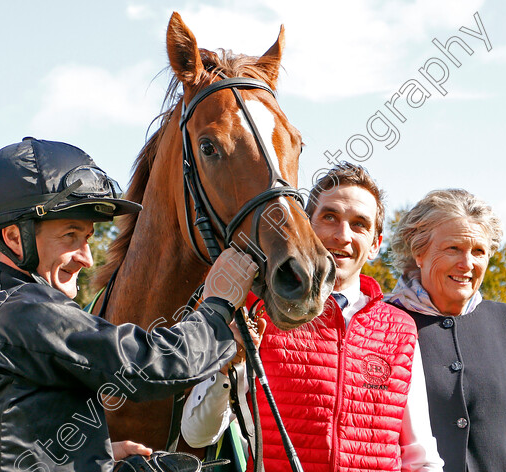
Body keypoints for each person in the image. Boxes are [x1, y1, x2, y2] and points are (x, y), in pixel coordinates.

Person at [0, 137, 258, 472]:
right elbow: (147, 366)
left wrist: (94, 453)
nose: (86, 258)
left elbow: (8, 434)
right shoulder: (24, 309)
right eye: (70, 236)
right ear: (12, 237)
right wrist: (216, 308)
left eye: (88, 238)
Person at [181, 163, 444, 472]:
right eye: (330, 217)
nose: (343, 235)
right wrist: (229, 364)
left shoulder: (400, 328)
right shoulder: (258, 311)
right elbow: (197, 435)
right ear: (306, 226)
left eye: (359, 224)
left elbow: (419, 455)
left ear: (375, 244)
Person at [385, 188, 506, 472]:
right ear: (418, 251)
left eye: (479, 251)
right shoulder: (378, 324)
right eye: (453, 248)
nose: (467, 264)